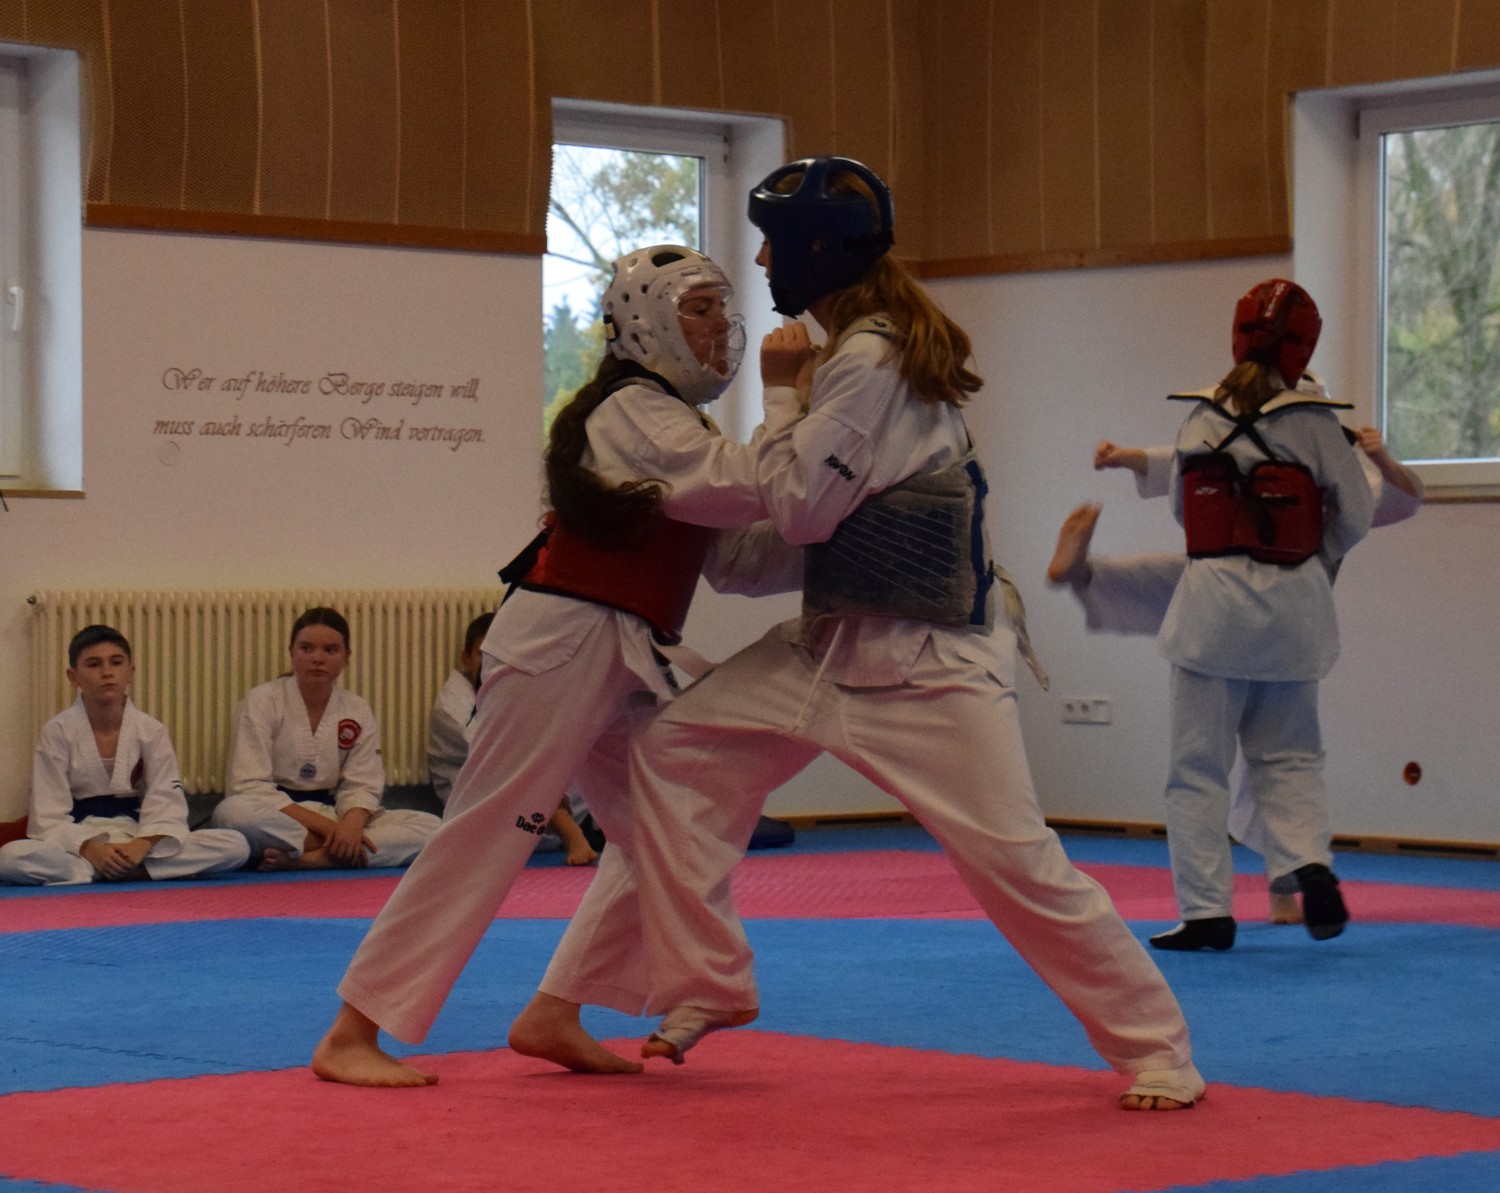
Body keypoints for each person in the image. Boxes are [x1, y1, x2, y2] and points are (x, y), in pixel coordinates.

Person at [530, 157, 1205, 1111]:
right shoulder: (853, 356)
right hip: (829, 648)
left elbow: (801, 507)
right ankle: (695, 979)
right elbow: (760, 557)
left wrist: (778, 397)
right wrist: (668, 491)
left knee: (1016, 862)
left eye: (771, 244)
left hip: (932, 664)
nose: (761, 262)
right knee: (672, 756)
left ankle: (1160, 1048)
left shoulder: (870, 359)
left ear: (815, 251)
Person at [311, 245, 799, 1088]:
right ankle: (352, 1030)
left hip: (623, 648)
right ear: (645, 323)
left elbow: (740, 559)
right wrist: (789, 402)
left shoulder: (678, 425)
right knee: (488, 831)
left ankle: (556, 1008)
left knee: (664, 832)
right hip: (564, 639)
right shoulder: (635, 410)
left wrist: (851, 544)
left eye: (723, 308)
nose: (720, 326)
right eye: (699, 309)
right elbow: (742, 483)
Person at [1090, 279, 1373, 952]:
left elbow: (1186, 513)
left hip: (1212, 612)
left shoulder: (1201, 416)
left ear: (1237, 337)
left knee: (1198, 768)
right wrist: (1306, 558)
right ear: (1304, 349)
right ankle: (1310, 864)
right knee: (1291, 756)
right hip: (1296, 614)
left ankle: (1207, 912)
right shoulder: (1315, 422)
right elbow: (1356, 515)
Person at [1049, 422, 1422, 925]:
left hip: (1215, 593)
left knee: (1160, 588)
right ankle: (1286, 886)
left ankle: (1086, 574)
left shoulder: (1232, 437)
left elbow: (1182, 458)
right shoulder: (1335, 473)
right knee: (1281, 764)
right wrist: (1381, 459)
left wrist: (1127, 457)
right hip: (1287, 619)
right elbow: (1404, 500)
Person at [0, 625, 249, 885]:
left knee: (235, 845)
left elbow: (165, 800)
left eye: (116, 663)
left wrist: (143, 844)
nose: (107, 672)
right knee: (11, 858)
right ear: (73, 677)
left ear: (130, 671)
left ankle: (110, 871)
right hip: (81, 843)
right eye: (94, 664)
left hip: (136, 837)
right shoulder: (57, 732)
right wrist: (90, 849)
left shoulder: (151, 730)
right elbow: (49, 815)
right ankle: (131, 872)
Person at [210, 607, 441, 871]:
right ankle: (342, 851)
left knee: (433, 827)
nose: (317, 658)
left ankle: (313, 859)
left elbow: (363, 784)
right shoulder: (262, 701)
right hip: (280, 814)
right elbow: (249, 785)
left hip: (332, 811)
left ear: (347, 657)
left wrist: (351, 826)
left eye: (330, 650)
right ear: (292, 652)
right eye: (306, 648)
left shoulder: (356, 708)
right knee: (232, 813)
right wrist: (332, 831)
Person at [428, 611, 598, 865]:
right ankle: (568, 829)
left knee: (586, 757)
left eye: (502, 657)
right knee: (516, 770)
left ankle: (581, 825)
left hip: (536, 809)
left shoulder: (519, 689)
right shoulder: (451, 705)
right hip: (484, 802)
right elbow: (503, 754)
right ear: (466, 659)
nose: (493, 665)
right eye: (483, 656)